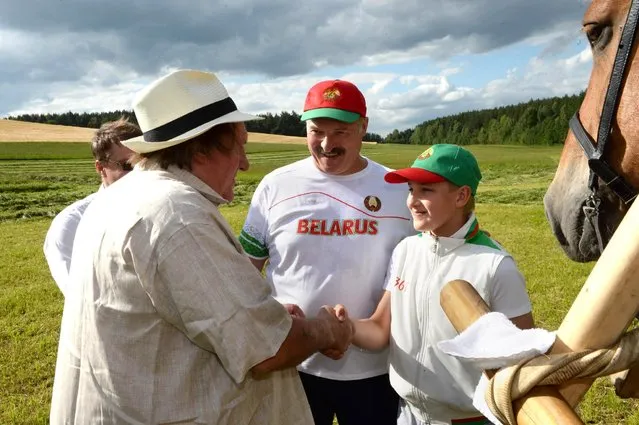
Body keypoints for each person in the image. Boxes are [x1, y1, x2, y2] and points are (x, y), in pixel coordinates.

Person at [49, 69, 354, 425]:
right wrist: (327, 329)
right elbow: (267, 351)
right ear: (206, 146)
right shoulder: (177, 215)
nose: (245, 163)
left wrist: (260, 312)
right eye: (239, 145)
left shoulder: (119, 198)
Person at [239, 79, 414, 425]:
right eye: (317, 130)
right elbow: (243, 271)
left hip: (376, 370)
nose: (326, 144)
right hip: (292, 366)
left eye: (341, 132)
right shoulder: (275, 186)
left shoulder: (397, 188)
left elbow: (417, 268)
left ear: (364, 127)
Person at [339, 144, 534, 425]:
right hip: (408, 415)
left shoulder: (495, 265)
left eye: (426, 190)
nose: (412, 201)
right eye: (411, 190)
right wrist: (342, 327)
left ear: (461, 196)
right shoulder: (406, 250)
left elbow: (521, 364)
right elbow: (380, 329)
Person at [43, 118, 139, 297]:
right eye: (128, 166)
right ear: (100, 168)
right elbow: (83, 298)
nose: (141, 174)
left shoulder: (165, 211)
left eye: (145, 165)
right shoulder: (71, 225)